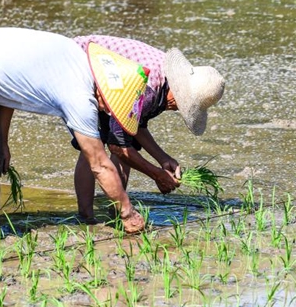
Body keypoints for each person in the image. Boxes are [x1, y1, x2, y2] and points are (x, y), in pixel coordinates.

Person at [0, 27, 151, 244]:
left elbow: (10, 87)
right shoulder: (79, 95)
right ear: (107, 93)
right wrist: (128, 212)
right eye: (112, 107)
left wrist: (3, 142)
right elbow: (99, 164)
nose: (109, 112)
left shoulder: (75, 58)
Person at [71, 35, 226, 221]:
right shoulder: (149, 89)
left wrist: (163, 158)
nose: (177, 108)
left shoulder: (165, 79)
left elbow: (135, 127)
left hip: (107, 78)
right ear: (178, 91)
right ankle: (87, 217)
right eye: (183, 104)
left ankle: (116, 213)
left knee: (123, 139)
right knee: (92, 144)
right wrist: (157, 174)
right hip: (80, 69)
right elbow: (118, 146)